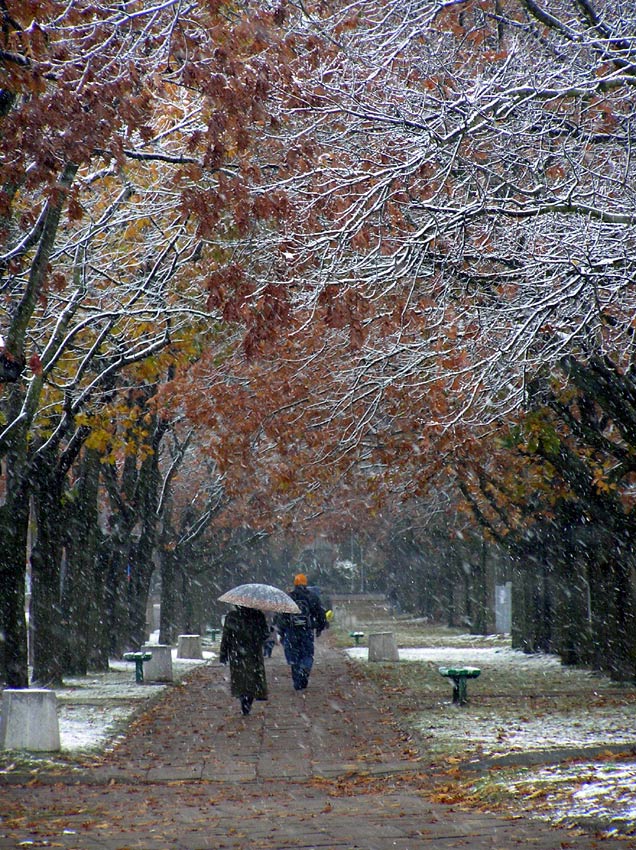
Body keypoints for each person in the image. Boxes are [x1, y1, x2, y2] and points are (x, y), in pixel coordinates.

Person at [274, 573, 328, 691]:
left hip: (291, 631)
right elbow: (320, 614)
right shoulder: (312, 597)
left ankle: (297, 681)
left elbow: (281, 617)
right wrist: (319, 627)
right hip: (306, 630)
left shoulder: (289, 598)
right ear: (305, 583)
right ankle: (305, 669)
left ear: (295, 584)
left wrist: (282, 632)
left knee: (293, 656)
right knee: (307, 653)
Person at [219, 605, 269, 715]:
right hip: (253, 652)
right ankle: (248, 700)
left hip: (236, 653)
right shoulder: (258, 615)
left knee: (240, 678)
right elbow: (265, 634)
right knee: (252, 677)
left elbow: (226, 637)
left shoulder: (232, 617)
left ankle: (243, 700)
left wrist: (223, 654)